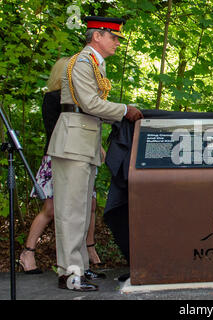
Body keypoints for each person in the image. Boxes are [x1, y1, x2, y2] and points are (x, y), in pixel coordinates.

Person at [47, 16, 143, 292]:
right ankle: (70, 273)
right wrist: (125, 110)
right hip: (72, 142)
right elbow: (89, 103)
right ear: (97, 36)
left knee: (82, 211)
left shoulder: (93, 64)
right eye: (113, 37)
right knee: (71, 211)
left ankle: (78, 268)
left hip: (83, 141)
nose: (117, 42)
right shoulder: (81, 62)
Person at [20, 57, 104, 281]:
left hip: (81, 157)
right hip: (58, 157)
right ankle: (27, 253)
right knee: (51, 210)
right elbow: (61, 130)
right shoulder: (53, 98)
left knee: (89, 205)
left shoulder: (79, 99)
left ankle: (87, 251)